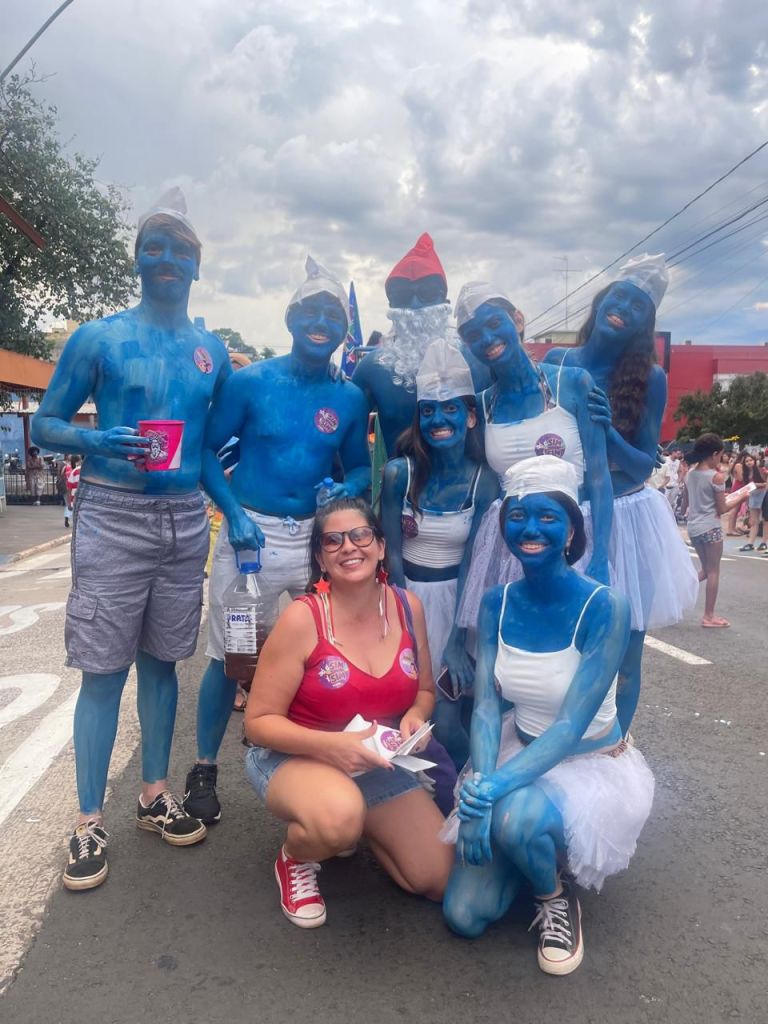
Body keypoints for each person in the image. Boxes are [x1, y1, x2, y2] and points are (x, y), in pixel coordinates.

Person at [31, 187, 231, 890]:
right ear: (138, 258)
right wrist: (95, 439)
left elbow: (222, 437)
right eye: (156, 246)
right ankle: (88, 820)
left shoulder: (212, 350)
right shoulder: (100, 337)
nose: (168, 258)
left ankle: (152, 794)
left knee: (163, 662)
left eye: (181, 249)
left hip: (183, 520)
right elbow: (42, 425)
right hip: (114, 511)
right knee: (103, 669)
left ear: (196, 265)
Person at [442, 456, 654, 976]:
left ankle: (554, 896)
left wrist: (486, 797)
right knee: (465, 916)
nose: (530, 529)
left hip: (589, 763)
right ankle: (529, 848)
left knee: (514, 820)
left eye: (547, 517)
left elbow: (568, 728)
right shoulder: (496, 601)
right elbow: (489, 705)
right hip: (521, 751)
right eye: (517, 517)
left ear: (570, 531)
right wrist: (481, 787)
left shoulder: (607, 605)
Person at [186, 257, 371, 826]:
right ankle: (204, 767)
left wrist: (345, 487)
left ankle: (322, 758)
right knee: (230, 656)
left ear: (343, 330)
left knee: (325, 653)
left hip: (316, 541)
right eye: (310, 312)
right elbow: (205, 456)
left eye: (331, 315)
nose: (320, 323)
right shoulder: (251, 382)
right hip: (252, 539)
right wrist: (234, 511)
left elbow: (362, 470)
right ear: (291, 319)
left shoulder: (348, 397)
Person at [243, 497, 453, 928]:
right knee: (337, 818)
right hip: (295, 754)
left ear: (379, 546)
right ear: (320, 557)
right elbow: (258, 723)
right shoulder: (303, 619)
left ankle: (361, 824)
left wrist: (415, 716)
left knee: (438, 878)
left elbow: (426, 690)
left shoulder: (406, 606)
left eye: (360, 535)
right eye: (332, 541)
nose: (348, 548)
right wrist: (332, 747)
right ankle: (297, 856)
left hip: (375, 760)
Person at [543, 254, 698, 733]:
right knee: (555, 640)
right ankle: (550, 735)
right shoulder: (555, 361)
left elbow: (642, 463)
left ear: (644, 323)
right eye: (618, 297)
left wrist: (607, 432)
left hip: (629, 518)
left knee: (626, 649)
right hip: (565, 511)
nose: (623, 308)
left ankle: (615, 747)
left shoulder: (651, 379)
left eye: (637, 306)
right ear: (600, 300)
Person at [455, 281, 614, 625]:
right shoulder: (483, 405)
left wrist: (600, 554)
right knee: (513, 652)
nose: (486, 338)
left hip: (573, 540)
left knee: (580, 646)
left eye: (494, 324)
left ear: (518, 319)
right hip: (508, 545)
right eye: (473, 334)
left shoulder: (572, 383)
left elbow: (600, 477)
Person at [381, 338, 497, 767]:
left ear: (470, 416)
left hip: (458, 608)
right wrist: (402, 625)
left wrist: (453, 642)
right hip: (403, 601)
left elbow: (474, 562)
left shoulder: (484, 482)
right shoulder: (399, 473)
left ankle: (465, 800)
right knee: (397, 712)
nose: (438, 420)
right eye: (427, 411)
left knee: (447, 725)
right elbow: (391, 556)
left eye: (450, 409)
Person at [352, 233, 491, 458]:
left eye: (426, 293)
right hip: (402, 487)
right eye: (402, 295)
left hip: (473, 489)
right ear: (391, 305)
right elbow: (345, 432)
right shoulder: (372, 370)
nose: (415, 304)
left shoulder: (478, 361)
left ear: (443, 299)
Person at [685, 434, 732, 626]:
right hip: (711, 526)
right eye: (720, 455)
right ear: (714, 454)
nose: (720, 459)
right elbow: (722, 509)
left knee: (705, 570)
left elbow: (684, 505)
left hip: (693, 527)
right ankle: (709, 615)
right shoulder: (716, 477)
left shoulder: (690, 474)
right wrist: (743, 496)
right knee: (713, 571)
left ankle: (678, 592)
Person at [735, 454, 766, 552]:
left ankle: (764, 542)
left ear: (755, 460)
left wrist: (757, 484)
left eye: (751, 460)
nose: (749, 462)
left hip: (763, 494)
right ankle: (750, 543)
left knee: (765, 519)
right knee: (753, 521)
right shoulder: (745, 473)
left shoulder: (761, 470)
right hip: (752, 496)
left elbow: (766, 483)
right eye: (747, 461)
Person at [63, 454, 81, 528]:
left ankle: (67, 517)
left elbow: (62, 475)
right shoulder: (78, 470)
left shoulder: (69, 468)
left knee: (69, 506)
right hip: (79, 494)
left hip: (72, 493)